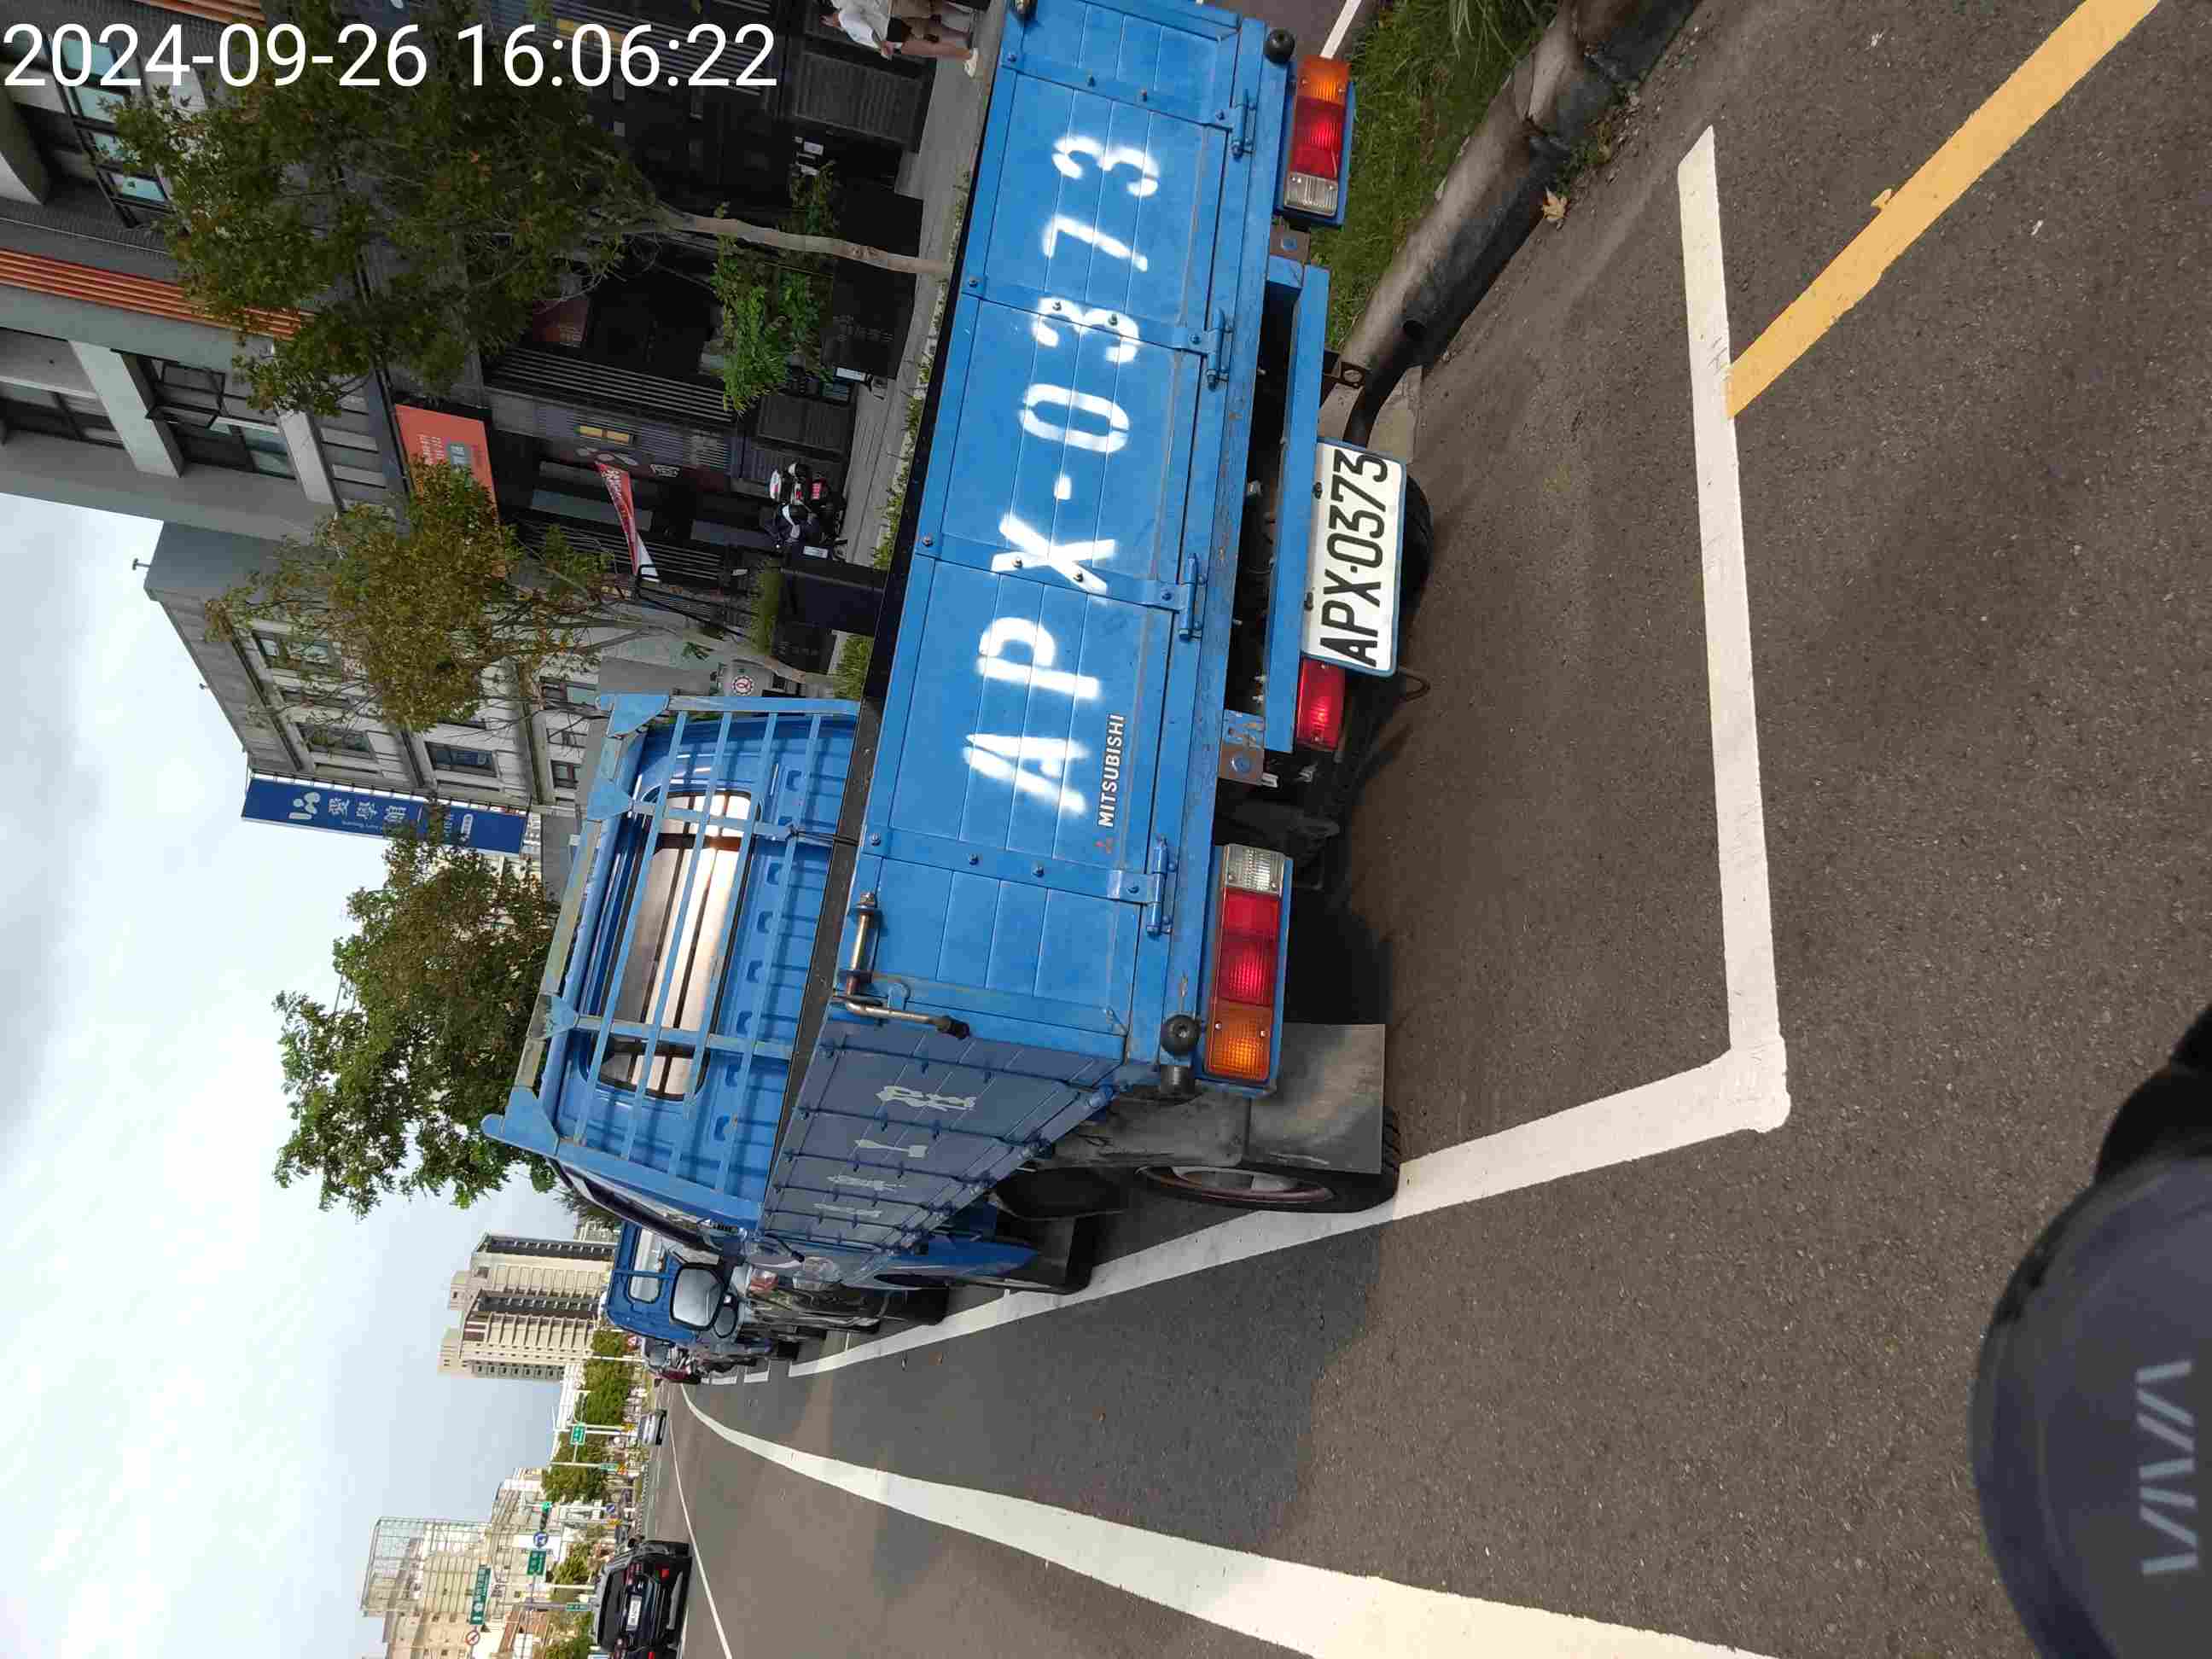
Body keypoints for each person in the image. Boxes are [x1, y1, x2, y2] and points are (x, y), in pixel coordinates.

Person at [824, 1, 977, 75]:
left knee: (930, 49)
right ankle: (965, 54)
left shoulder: (845, 17)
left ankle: (968, 55)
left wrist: (883, 48)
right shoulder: (846, 10)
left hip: (888, 34)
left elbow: (868, 32)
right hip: (891, 23)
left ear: (827, 18)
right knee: (929, 41)